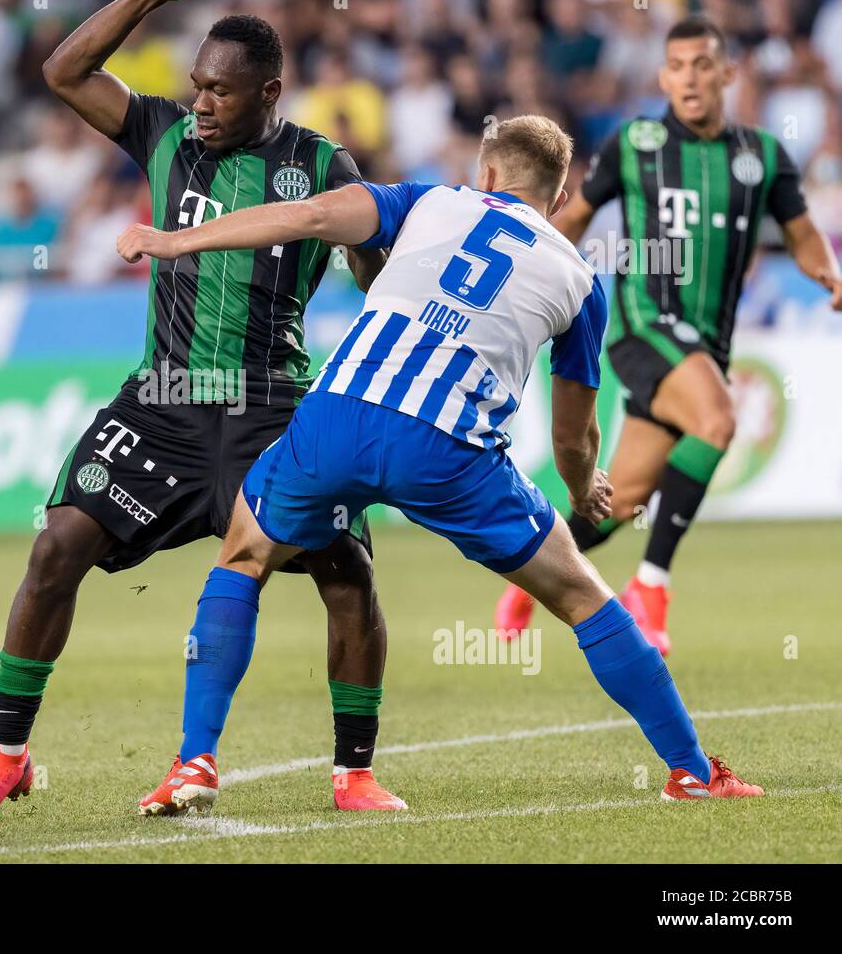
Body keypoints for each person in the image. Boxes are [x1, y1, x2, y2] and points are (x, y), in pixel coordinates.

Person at [116, 114, 764, 810]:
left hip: (340, 416)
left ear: (485, 175)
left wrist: (174, 240)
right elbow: (574, 437)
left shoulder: (428, 200)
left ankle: (195, 761)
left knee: (243, 557)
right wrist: (584, 490)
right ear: (557, 196)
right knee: (582, 597)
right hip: (447, 449)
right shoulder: (580, 279)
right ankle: (692, 771)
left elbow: (307, 215)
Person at [0, 0, 401, 825]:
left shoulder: (322, 165)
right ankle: (6, 756)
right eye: (196, 85)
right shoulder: (161, 134)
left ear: (269, 92)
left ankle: (355, 772)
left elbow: (379, 276)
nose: (202, 102)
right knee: (56, 546)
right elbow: (63, 69)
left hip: (272, 406)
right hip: (164, 404)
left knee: (346, 574)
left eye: (221, 91)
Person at [492, 16, 842, 655]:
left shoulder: (762, 156)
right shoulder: (637, 143)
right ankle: (649, 588)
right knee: (719, 420)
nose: (690, 77)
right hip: (642, 323)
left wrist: (831, 275)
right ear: (662, 77)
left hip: (705, 344)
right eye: (677, 66)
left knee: (616, 502)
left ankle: (530, 579)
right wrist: (523, 264)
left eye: (703, 64)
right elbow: (575, 215)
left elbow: (801, 235)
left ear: (727, 74)